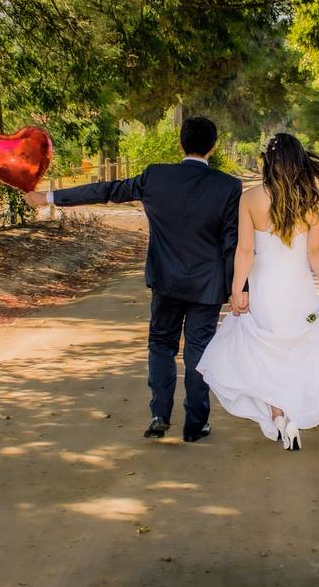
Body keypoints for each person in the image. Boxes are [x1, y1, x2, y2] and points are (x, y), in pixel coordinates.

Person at [24, 117, 241, 442]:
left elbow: (107, 191)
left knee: (161, 345)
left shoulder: (156, 176)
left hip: (166, 281)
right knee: (199, 351)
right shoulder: (227, 186)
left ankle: (159, 414)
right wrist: (239, 288)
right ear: (213, 146)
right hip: (207, 286)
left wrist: (50, 198)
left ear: (181, 143)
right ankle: (196, 425)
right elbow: (231, 242)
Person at [197, 133, 319, 451]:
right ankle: (292, 418)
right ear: (299, 162)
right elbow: (316, 251)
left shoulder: (251, 198)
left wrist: (237, 290)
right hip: (298, 290)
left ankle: (279, 416)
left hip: (266, 291)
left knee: (266, 354)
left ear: (268, 162)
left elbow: (245, 251)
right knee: (296, 352)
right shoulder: (311, 201)